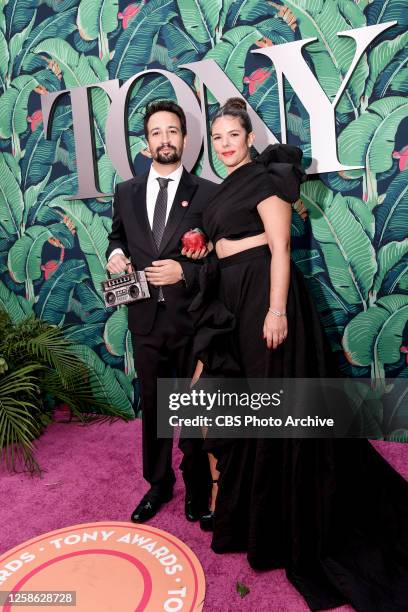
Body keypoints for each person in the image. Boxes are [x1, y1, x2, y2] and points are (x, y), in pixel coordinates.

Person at [188, 98, 408, 611]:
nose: (224, 145)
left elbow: (280, 247)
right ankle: (257, 511)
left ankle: (287, 515)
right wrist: (211, 250)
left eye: (232, 136)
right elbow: (237, 243)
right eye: (217, 137)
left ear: (248, 138)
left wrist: (277, 310)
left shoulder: (268, 178)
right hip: (236, 307)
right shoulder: (224, 189)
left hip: (267, 301)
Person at [106, 100, 216, 524]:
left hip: (191, 321)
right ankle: (159, 483)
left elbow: (217, 260)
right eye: (157, 132)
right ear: (147, 142)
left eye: (173, 131)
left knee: (191, 404)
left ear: (185, 139)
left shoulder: (206, 193)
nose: (165, 139)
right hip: (144, 318)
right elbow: (118, 238)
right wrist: (115, 255)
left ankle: (196, 485)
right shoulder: (126, 191)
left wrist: (183, 272)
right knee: (154, 406)